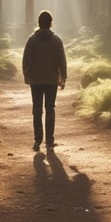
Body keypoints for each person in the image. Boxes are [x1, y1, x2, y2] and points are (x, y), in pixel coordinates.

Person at [21, 10, 67, 152]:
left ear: (39, 23)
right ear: (51, 23)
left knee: (37, 110)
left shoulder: (32, 40)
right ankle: (49, 140)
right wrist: (63, 77)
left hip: (36, 80)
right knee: (50, 109)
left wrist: (26, 75)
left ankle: (37, 140)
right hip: (51, 80)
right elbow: (61, 60)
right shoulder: (56, 40)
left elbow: (25, 59)